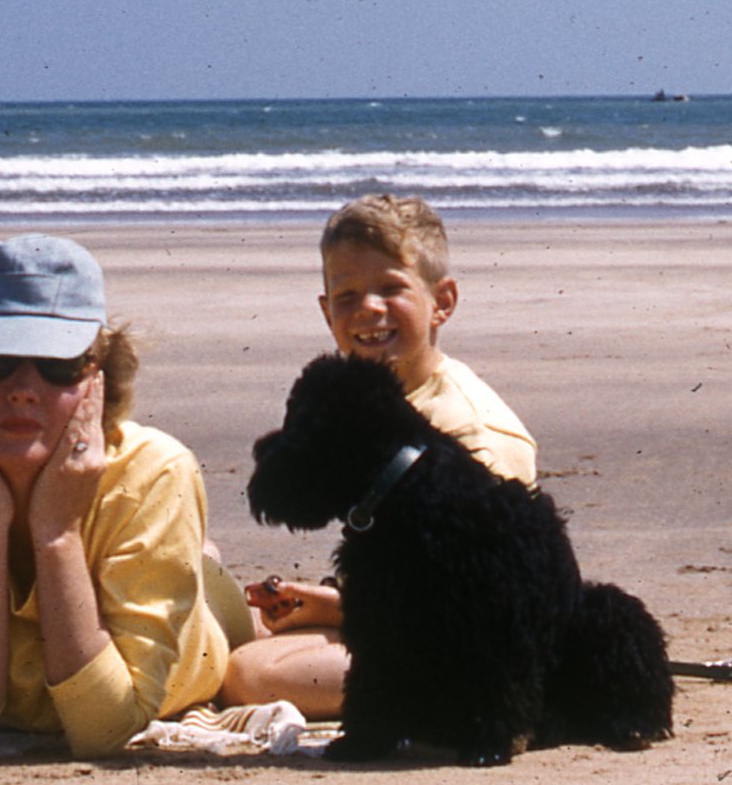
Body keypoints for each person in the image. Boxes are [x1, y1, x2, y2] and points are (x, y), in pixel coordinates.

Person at [0, 234, 240, 757]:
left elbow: (103, 728)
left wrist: (58, 534)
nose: (22, 389)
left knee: (257, 661)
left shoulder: (156, 471)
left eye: (56, 365)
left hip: (207, 625)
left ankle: (211, 566)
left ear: (99, 379)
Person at [220, 195, 536, 714]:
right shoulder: (368, 409)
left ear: (442, 302)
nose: (368, 308)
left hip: (458, 640)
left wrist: (340, 610)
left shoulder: (469, 432)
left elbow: (474, 595)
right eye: (347, 296)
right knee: (232, 624)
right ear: (327, 312)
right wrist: (329, 601)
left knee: (248, 675)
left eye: (391, 289)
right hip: (392, 605)